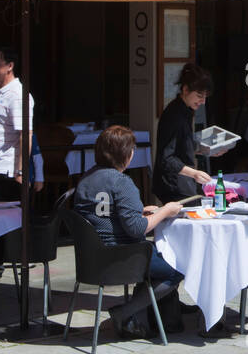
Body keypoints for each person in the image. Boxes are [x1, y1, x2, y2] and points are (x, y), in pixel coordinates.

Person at [74, 126, 187, 337]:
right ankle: (126, 312)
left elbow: (104, 213)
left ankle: (140, 319)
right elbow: (136, 229)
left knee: (161, 258)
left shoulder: (85, 180)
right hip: (122, 256)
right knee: (178, 264)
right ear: (125, 154)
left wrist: (138, 210)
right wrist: (165, 211)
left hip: (91, 257)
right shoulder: (122, 182)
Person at [153, 64, 215, 205]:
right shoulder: (174, 115)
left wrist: (204, 149)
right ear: (186, 89)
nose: (203, 102)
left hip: (182, 180)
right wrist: (194, 173)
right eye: (199, 96)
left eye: (205, 97)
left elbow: (183, 144)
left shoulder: (186, 110)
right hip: (173, 184)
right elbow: (166, 158)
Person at [0, 47, 37, 189]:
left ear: (10, 66)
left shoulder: (18, 95)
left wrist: (21, 172)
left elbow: (26, 134)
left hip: (6, 169)